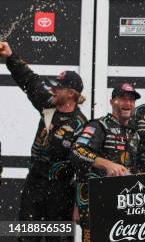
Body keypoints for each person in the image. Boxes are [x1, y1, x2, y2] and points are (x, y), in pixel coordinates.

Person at [0, 41, 87, 242]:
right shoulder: (48, 104)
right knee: (26, 238)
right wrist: (10, 56)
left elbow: (83, 166)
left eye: (59, 87)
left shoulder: (82, 125)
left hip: (61, 192)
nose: (53, 89)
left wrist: (78, 205)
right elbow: (29, 81)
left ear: (71, 94)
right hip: (34, 185)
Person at [71, 83, 140, 242]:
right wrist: (107, 164)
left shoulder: (134, 133)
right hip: (95, 203)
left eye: (131, 100)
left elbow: (133, 170)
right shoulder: (99, 125)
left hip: (124, 205)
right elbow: (77, 151)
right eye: (122, 99)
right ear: (112, 102)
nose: (127, 104)